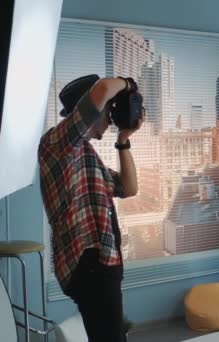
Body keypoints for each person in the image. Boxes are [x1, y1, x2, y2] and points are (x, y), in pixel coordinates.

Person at [38, 75, 144, 342]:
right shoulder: (57, 144)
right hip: (89, 264)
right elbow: (105, 88)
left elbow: (129, 188)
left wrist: (123, 139)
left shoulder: (85, 156)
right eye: (108, 111)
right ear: (87, 112)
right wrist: (129, 84)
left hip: (101, 263)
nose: (110, 118)